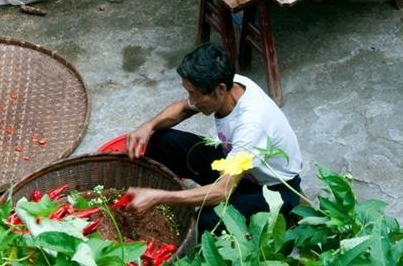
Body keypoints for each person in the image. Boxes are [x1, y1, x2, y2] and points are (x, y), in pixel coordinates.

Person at [123, 43, 303, 232]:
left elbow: (222, 191)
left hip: (269, 189)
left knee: (206, 222)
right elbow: (183, 108)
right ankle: (146, 198)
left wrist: (160, 196)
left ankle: (155, 198)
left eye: (194, 94)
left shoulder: (251, 125)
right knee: (163, 141)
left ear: (220, 89)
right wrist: (148, 126)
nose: (191, 100)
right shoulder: (229, 83)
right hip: (233, 161)